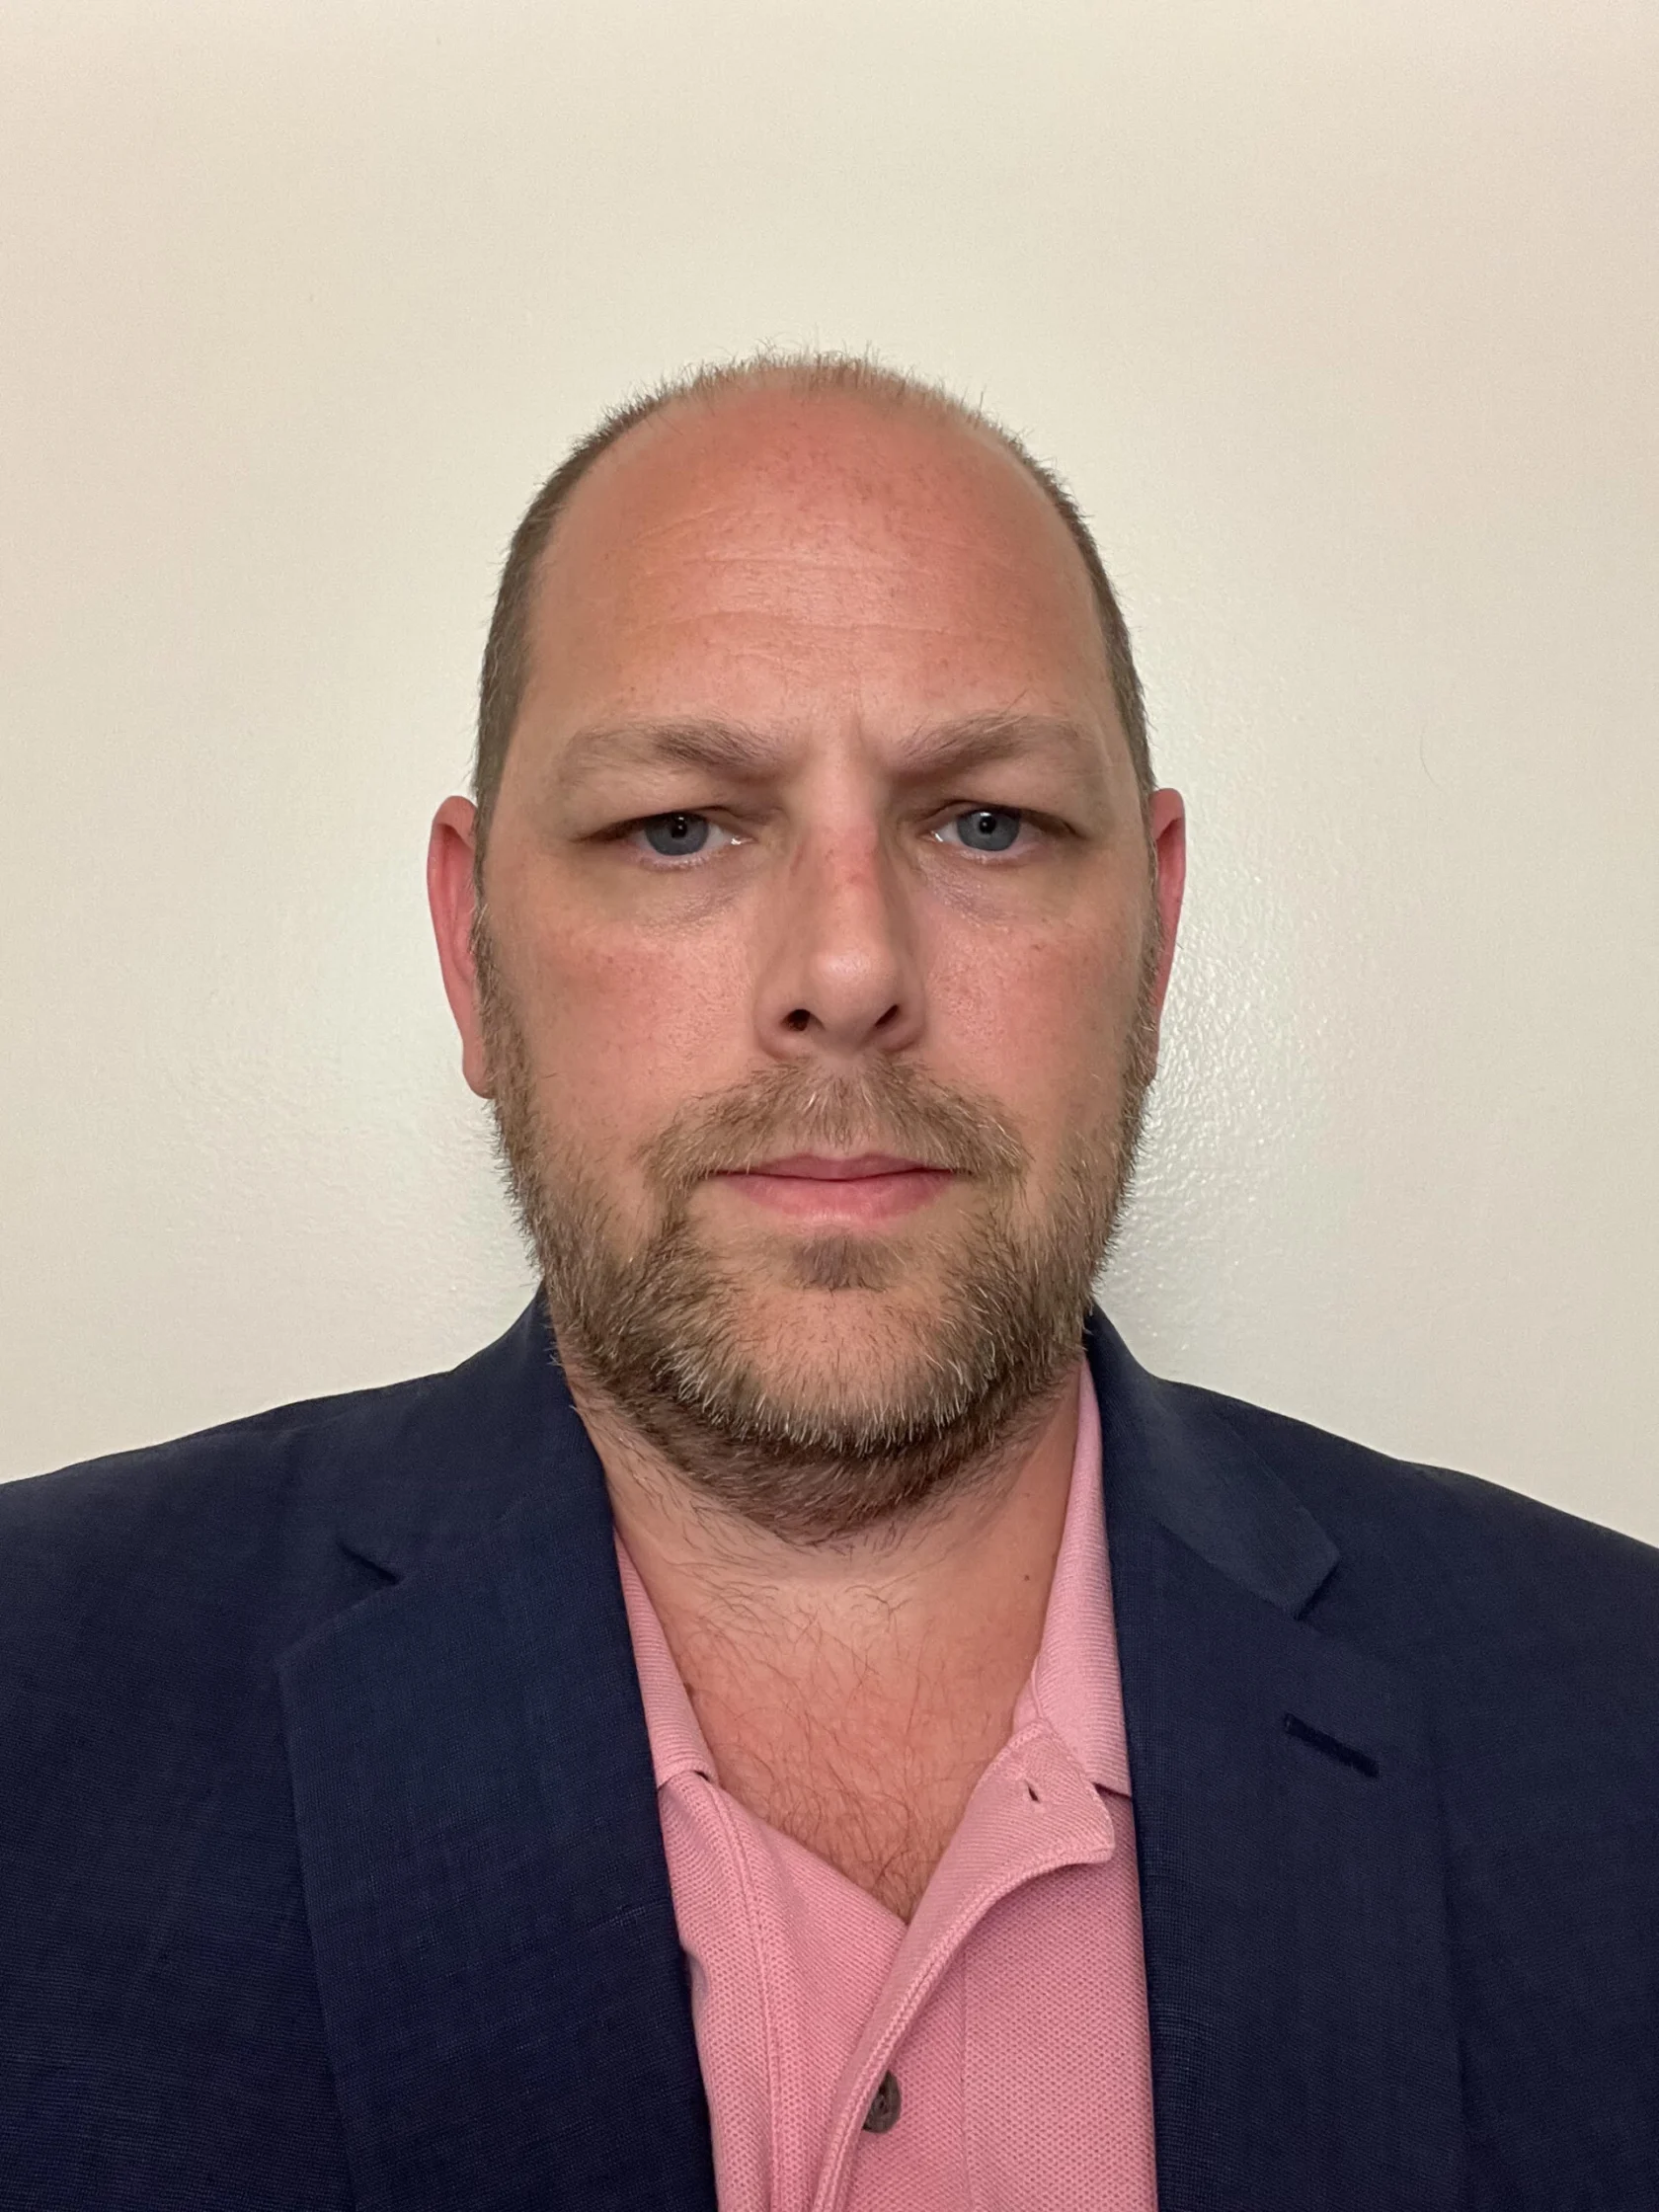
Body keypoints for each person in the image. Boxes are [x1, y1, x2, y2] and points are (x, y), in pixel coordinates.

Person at [1, 354, 1655, 2212]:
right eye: (681, 827)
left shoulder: (1620, 1737)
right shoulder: (33, 1701)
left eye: (987, 823)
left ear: (1160, 935)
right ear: (474, 953)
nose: (850, 966)